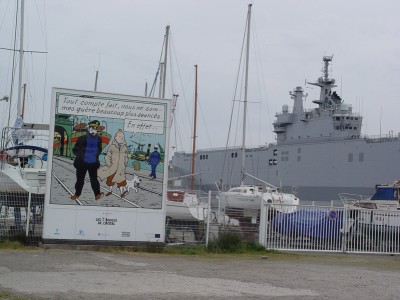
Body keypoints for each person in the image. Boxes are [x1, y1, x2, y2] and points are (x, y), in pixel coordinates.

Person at [70, 120, 104, 200]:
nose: (93, 130)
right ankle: (77, 194)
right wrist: (81, 156)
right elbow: (75, 149)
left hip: (93, 163)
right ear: (89, 129)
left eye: (95, 128)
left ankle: (97, 194)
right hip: (82, 163)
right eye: (92, 128)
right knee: (79, 180)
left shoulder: (99, 139)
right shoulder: (81, 138)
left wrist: (94, 156)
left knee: (94, 180)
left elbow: (99, 150)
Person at [98, 129, 128, 198]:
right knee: (110, 179)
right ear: (116, 138)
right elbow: (107, 156)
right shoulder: (112, 146)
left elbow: (126, 156)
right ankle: (110, 191)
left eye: (122, 137)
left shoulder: (125, 147)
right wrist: (109, 164)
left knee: (121, 181)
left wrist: (125, 163)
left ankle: (122, 193)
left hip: (121, 167)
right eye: (120, 137)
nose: (121, 139)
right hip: (113, 166)